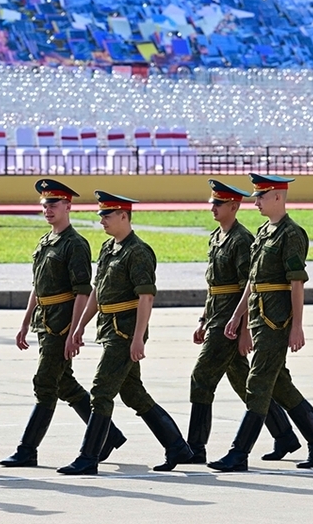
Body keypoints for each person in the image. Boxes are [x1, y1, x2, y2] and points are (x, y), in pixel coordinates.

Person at [57, 190, 193, 475]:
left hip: (125, 333)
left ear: (124, 215)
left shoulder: (139, 252)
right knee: (133, 393)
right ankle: (177, 446)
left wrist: (138, 338)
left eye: (107, 215)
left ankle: (88, 457)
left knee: (101, 391)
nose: (102, 220)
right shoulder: (109, 248)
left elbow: (146, 298)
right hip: (109, 329)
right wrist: (80, 324)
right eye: (101, 215)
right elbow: (98, 291)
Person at [209, 174, 313, 472]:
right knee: (279, 384)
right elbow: (253, 281)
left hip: (277, 322)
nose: (255, 202)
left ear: (278, 197)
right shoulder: (265, 232)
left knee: (258, 383)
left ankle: (239, 453)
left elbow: (296, 284)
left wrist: (297, 325)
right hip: (259, 318)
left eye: (261, 197)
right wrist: (238, 315)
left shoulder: (291, 234)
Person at [0, 179, 126, 468]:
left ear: (68, 206)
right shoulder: (46, 242)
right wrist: (23, 323)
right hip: (44, 323)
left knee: (45, 383)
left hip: (60, 326)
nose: (48, 209)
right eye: (44, 205)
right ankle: (108, 435)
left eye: (53, 204)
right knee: (64, 383)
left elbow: (82, 290)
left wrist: (74, 329)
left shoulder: (75, 244)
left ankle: (27, 449)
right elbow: (38, 287)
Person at [185, 179, 300, 465]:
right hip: (218, 318)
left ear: (233, 206)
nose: (212, 207)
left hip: (232, 322)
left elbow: (247, 287)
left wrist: (244, 327)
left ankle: (195, 448)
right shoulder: (217, 237)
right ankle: (284, 434)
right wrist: (203, 318)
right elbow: (214, 287)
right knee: (245, 383)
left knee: (202, 378)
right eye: (212, 202)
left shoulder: (241, 240)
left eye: (218, 203)